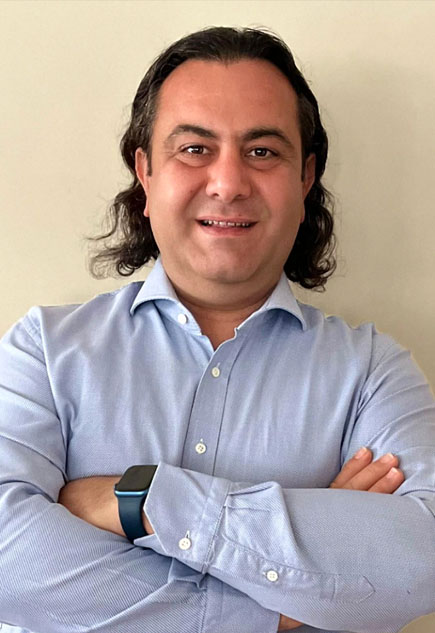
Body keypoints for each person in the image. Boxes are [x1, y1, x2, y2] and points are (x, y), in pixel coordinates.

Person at [0, 26, 434, 633]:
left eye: (263, 152)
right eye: (194, 148)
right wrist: (282, 604)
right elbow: (7, 561)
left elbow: (421, 560)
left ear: (305, 179)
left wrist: (139, 500)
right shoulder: (43, 352)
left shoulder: (372, 372)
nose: (228, 183)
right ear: (145, 173)